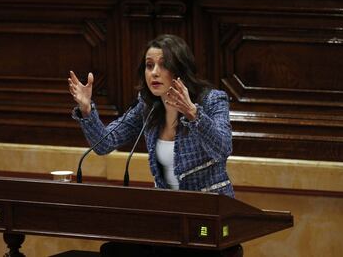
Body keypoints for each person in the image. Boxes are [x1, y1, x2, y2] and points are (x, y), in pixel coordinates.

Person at [68, 34, 241, 257]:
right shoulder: (148, 107)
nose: (154, 73)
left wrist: (193, 114)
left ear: (180, 69)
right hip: (168, 221)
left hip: (209, 219)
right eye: (149, 66)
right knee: (114, 250)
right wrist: (86, 110)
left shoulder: (211, 101)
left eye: (163, 65)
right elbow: (104, 143)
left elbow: (222, 149)